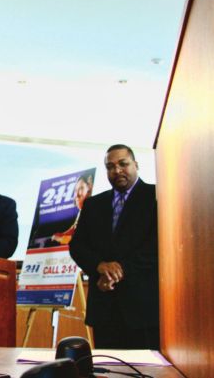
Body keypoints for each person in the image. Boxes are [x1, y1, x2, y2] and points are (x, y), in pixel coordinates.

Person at [69, 144, 159, 349]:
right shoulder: (93, 205)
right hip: (104, 309)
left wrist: (119, 270)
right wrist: (99, 266)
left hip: (143, 311)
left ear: (136, 165)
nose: (117, 170)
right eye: (110, 167)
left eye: (123, 164)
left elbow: (157, 246)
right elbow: (77, 246)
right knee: (107, 365)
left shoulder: (157, 196)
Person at [51, 171, 94, 245]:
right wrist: (61, 235)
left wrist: (61, 238)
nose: (76, 195)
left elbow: (81, 238)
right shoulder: (82, 211)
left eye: (81, 188)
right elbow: (74, 229)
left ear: (90, 188)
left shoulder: (92, 211)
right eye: (75, 190)